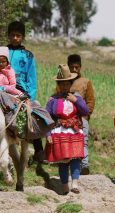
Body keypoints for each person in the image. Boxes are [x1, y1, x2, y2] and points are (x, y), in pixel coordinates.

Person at [45, 64, 89, 195]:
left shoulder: (77, 98)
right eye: (62, 84)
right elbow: (47, 118)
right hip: (59, 132)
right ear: (59, 85)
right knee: (63, 161)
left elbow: (85, 111)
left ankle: (75, 183)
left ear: (71, 84)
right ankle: (64, 185)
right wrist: (48, 134)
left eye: (67, 84)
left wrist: (76, 100)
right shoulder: (53, 100)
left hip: (74, 131)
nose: (64, 87)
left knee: (75, 158)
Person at [7, 21, 44, 162]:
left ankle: (38, 146)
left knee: (33, 111)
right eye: (13, 35)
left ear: (22, 37)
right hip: (4, 88)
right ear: (8, 36)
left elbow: (31, 78)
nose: (15, 38)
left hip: (22, 90)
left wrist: (30, 95)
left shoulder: (28, 55)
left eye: (18, 35)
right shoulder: (3, 51)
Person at [67, 54, 95, 175]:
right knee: (68, 140)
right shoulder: (64, 82)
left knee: (84, 140)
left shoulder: (86, 82)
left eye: (76, 67)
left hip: (82, 117)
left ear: (80, 67)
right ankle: (70, 165)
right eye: (72, 67)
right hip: (67, 118)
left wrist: (86, 115)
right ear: (68, 67)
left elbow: (90, 101)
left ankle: (84, 165)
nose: (74, 70)